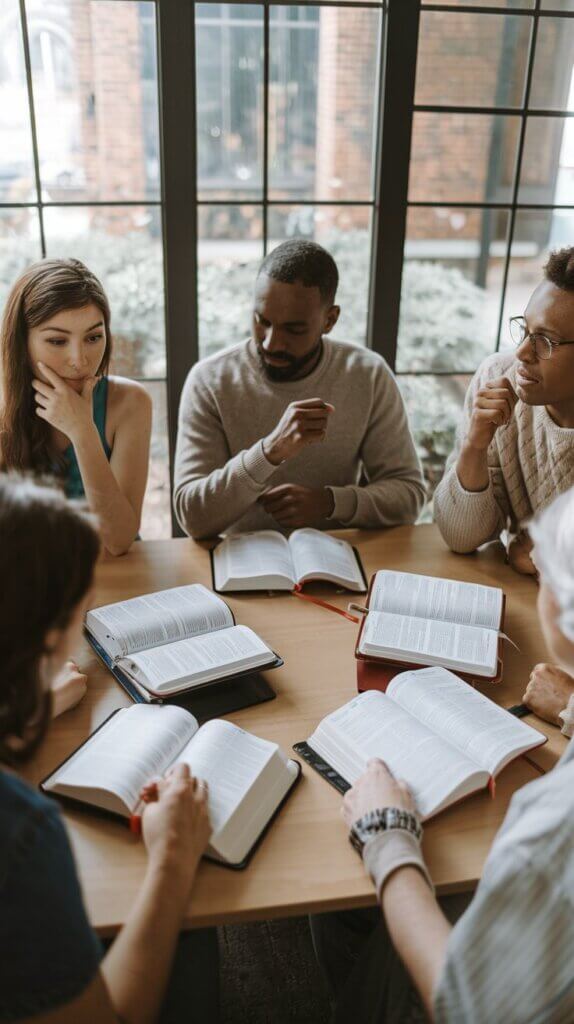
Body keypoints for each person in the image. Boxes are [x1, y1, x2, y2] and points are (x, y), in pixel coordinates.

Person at [311, 483, 574, 1023]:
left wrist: (385, 835)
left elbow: (463, 1005)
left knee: (341, 891)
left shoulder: (551, 833)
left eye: (545, 570)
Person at [0, 474, 219, 1023]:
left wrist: (33, 704)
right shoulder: (25, 831)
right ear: (51, 636)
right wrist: (172, 856)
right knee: (191, 931)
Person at [174, 239, 425, 538]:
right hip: (236, 568)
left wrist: (332, 503)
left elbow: (409, 496)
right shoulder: (210, 381)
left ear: (330, 320)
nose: (271, 343)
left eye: (294, 329)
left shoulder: (367, 375)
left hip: (336, 564)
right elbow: (192, 517)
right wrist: (269, 452)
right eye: (262, 320)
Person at [434, 244, 574, 729]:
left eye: (546, 341)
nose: (521, 353)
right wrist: (474, 445)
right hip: (527, 633)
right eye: (524, 329)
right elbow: (459, 537)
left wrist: (540, 557)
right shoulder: (499, 378)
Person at [0, 257, 152, 556]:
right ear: (22, 342)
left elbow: (119, 540)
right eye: (57, 341)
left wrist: (83, 432)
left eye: (93, 337)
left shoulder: (130, 403)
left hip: (119, 581)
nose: (79, 360)